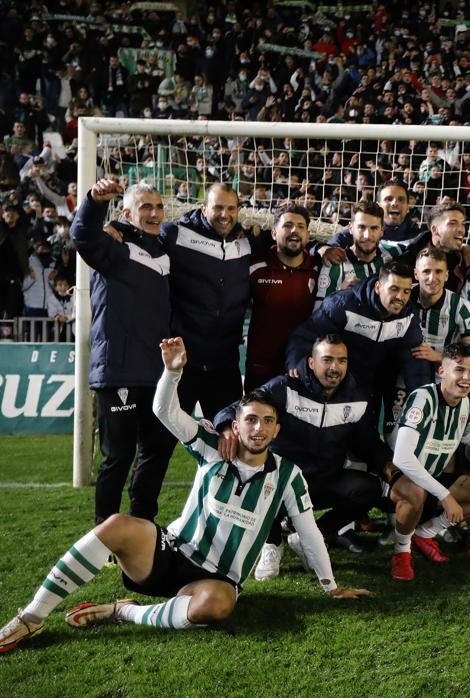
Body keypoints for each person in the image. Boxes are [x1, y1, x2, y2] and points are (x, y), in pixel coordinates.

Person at [0, 337, 369, 655]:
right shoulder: (211, 446)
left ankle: (122, 612)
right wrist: (173, 372)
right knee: (116, 525)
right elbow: (164, 410)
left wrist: (330, 588)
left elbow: (308, 532)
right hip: (169, 552)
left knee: (218, 605)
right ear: (235, 425)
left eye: (268, 421)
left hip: (216, 579)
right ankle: (31, 617)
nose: (259, 428)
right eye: (251, 420)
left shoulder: (288, 475)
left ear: (277, 429)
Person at [215, 335, 392, 578]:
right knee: (260, 479)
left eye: (341, 361)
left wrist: (388, 465)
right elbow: (239, 408)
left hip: (325, 480)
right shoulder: (284, 388)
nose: (334, 367)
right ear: (311, 362)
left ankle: (312, 538)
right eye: (327, 359)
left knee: (369, 488)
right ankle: (272, 542)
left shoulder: (356, 397)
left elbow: (367, 442)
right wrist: (226, 428)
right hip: (282, 482)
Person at [71, 179, 177, 524]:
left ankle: (142, 523)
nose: (154, 212)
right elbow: (83, 236)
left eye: (158, 206)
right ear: (127, 213)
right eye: (145, 206)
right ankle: (105, 532)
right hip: (118, 369)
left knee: (158, 449)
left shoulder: (163, 252)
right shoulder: (113, 247)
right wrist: (94, 202)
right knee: (118, 456)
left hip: (156, 370)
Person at [386, 343, 470, 580]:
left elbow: (467, 434)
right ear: (442, 371)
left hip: (433, 479)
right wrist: (445, 496)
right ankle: (401, 552)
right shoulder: (422, 399)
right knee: (416, 491)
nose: (467, 378)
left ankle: (426, 533)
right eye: (459, 370)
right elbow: (402, 457)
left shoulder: (467, 405)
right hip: (399, 480)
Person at [285, 260, 431, 429]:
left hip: (373, 384)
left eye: (406, 291)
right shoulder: (342, 304)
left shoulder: (409, 316)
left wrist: (424, 398)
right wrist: (298, 363)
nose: (400, 297)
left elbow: (415, 359)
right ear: (378, 287)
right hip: (339, 380)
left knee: (367, 437)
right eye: (394, 289)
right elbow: (306, 335)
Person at [160, 183, 260, 418]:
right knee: (158, 446)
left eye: (231, 208)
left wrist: (324, 250)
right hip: (182, 364)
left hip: (224, 365)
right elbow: (144, 234)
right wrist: (118, 227)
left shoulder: (248, 242)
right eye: (218, 208)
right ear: (203, 208)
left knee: (230, 445)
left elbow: (290, 243)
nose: (224, 215)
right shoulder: (176, 235)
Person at [245, 203, 319, 389]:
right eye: (287, 225)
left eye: (301, 227)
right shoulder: (256, 268)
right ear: (273, 233)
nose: (294, 230)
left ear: (308, 235)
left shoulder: (319, 269)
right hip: (261, 369)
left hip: (301, 369)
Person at [317, 201, 407, 305]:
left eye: (374, 228)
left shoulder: (395, 252)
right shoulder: (334, 263)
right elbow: (319, 314)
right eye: (361, 227)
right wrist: (340, 296)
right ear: (350, 228)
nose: (367, 235)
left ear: (382, 230)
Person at [410, 247, 470, 373]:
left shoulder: (460, 306)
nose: (432, 278)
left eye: (438, 271)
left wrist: (438, 356)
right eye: (426, 271)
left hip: (442, 377)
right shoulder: (404, 296)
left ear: (446, 275)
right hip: (404, 373)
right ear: (416, 274)